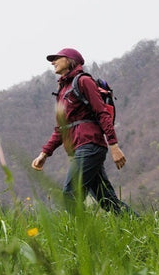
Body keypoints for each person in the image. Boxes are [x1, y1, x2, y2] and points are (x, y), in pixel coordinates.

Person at [30, 47, 133, 214]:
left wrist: (114, 145)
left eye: (57, 58)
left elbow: (102, 113)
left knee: (70, 194)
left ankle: (85, 236)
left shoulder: (84, 81)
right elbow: (61, 128)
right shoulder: (62, 90)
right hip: (79, 149)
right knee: (107, 201)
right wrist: (44, 154)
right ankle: (138, 225)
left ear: (71, 60)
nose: (53, 62)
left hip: (90, 146)